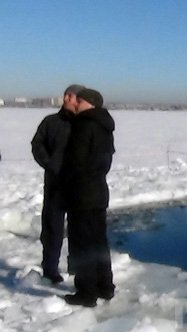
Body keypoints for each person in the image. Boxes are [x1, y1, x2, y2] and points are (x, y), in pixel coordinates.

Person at [61, 88, 116, 307]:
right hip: (99, 191)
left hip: (82, 193)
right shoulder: (104, 124)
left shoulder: (84, 124)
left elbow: (76, 160)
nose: (76, 103)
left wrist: (68, 181)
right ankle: (105, 286)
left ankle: (86, 292)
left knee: (83, 243)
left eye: (80, 100)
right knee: (98, 241)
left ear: (90, 103)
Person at [31, 84, 86, 283]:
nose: (67, 99)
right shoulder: (51, 122)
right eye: (66, 95)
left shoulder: (86, 124)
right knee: (52, 228)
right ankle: (50, 269)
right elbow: (37, 144)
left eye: (72, 96)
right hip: (55, 184)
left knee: (79, 229)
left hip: (79, 185)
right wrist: (50, 164)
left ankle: (78, 271)